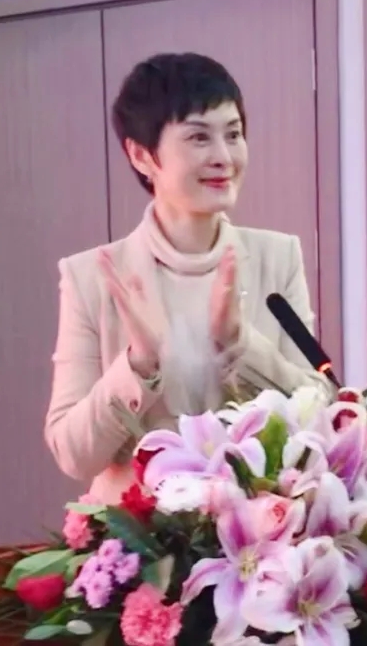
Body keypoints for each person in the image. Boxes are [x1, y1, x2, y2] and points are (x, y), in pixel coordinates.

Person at [45, 52, 324, 502]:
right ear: (141, 155)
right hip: (138, 534)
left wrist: (241, 346)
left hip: (258, 527)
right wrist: (137, 366)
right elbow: (73, 455)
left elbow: (320, 406)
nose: (223, 157)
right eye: (198, 137)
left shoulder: (278, 258)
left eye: (233, 134)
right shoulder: (90, 277)